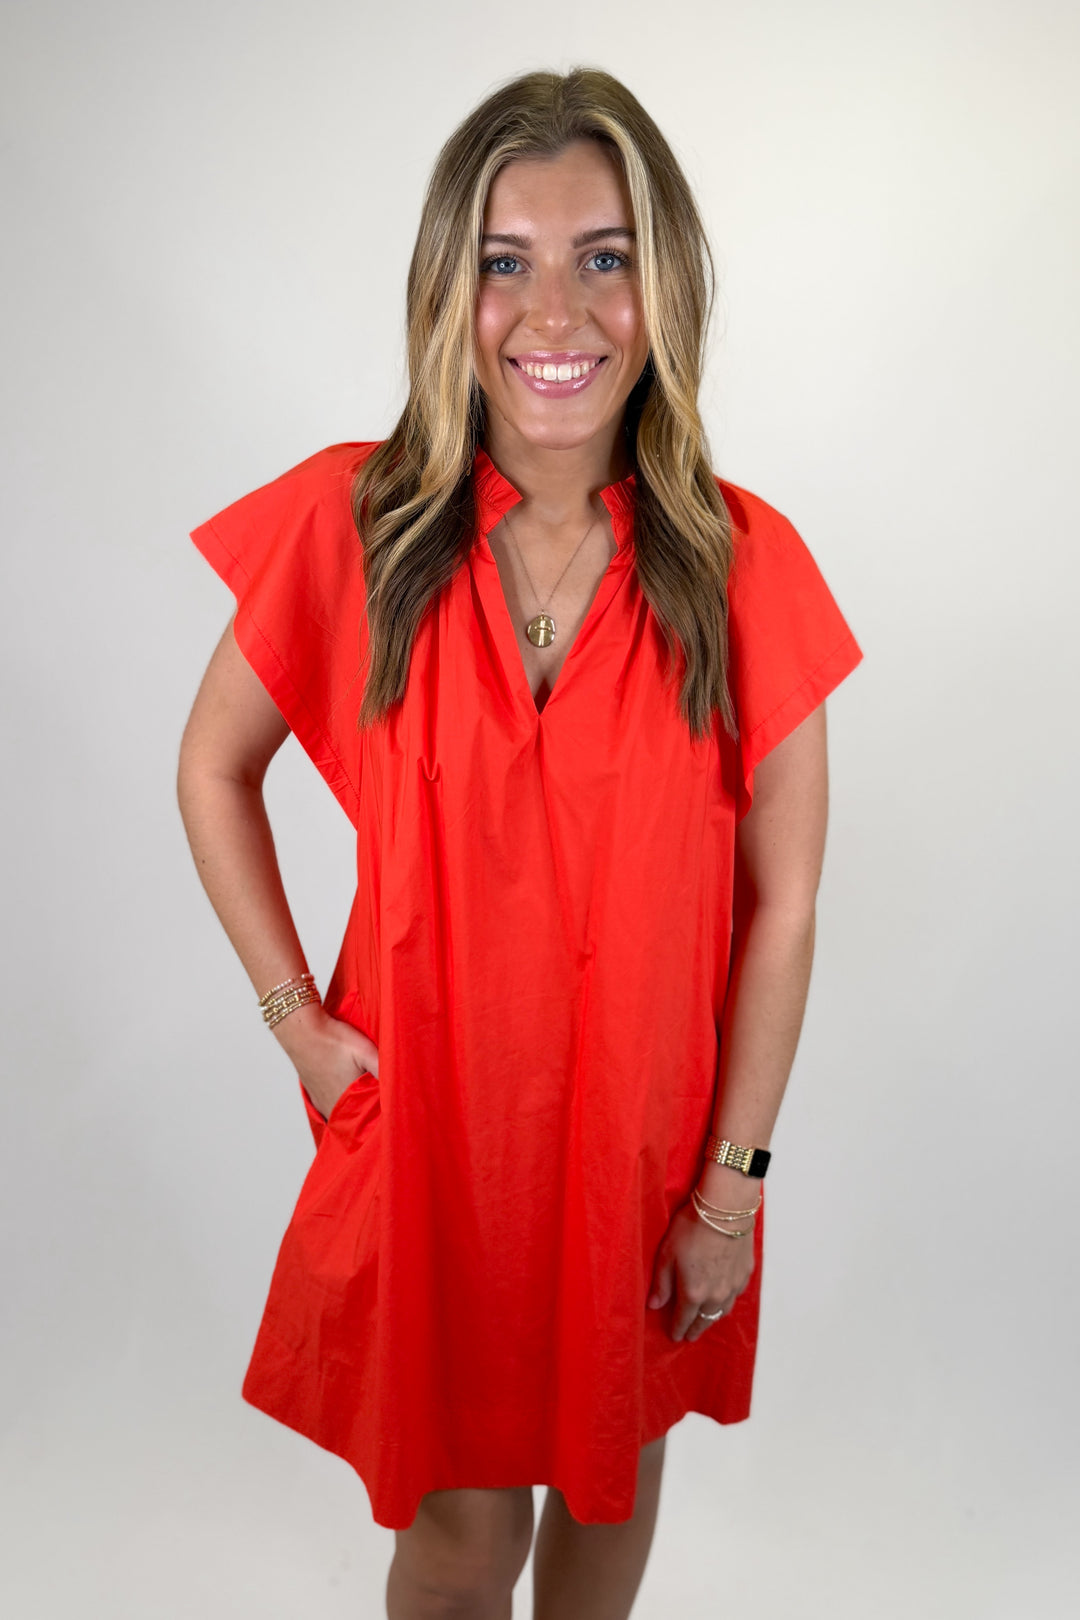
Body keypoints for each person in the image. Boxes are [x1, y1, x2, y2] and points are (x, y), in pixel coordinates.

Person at [177, 65, 862, 1620]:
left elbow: (788, 904)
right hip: (432, 1139)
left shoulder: (744, 565)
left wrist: (730, 1186)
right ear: (451, 287)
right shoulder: (353, 528)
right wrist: (299, 1024)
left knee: (608, 1497)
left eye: (603, 256)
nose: (555, 310)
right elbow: (212, 770)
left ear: (661, 282)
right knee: (460, 1534)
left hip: (651, 1155)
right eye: (507, 260)